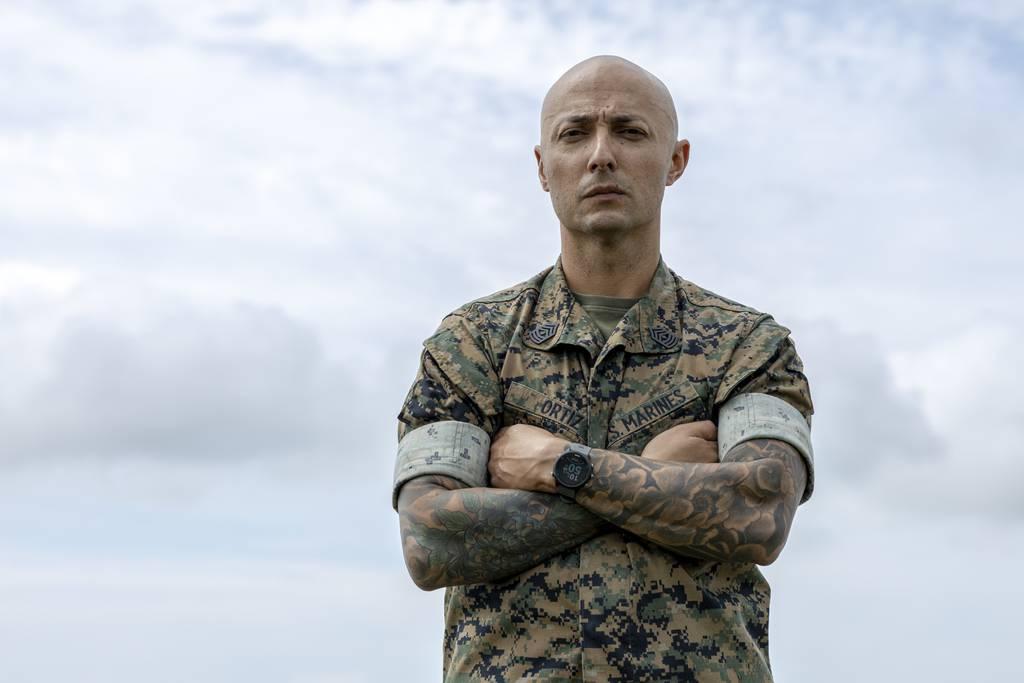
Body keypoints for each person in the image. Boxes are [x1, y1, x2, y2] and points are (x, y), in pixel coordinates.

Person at [392, 55, 815, 682]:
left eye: (629, 131)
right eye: (574, 133)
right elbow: (431, 544)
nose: (600, 155)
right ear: (543, 166)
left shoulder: (748, 346)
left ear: (676, 160)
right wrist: (653, 479)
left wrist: (555, 468)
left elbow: (757, 516)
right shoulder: (471, 344)